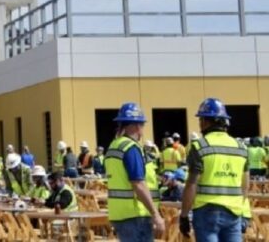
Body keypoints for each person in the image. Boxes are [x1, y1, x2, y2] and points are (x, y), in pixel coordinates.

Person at [179, 98, 249, 241]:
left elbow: (191, 184)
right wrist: (242, 210)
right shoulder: (241, 148)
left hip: (206, 211)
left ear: (205, 121)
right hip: (234, 211)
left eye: (200, 120)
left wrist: (184, 215)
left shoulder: (200, 146)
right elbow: (245, 186)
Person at [105, 102, 165, 241]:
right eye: (142, 125)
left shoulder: (114, 146)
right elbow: (138, 183)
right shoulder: (131, 148)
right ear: (137, 126)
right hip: (136, 215)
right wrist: (155, 214)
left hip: (120, 213)